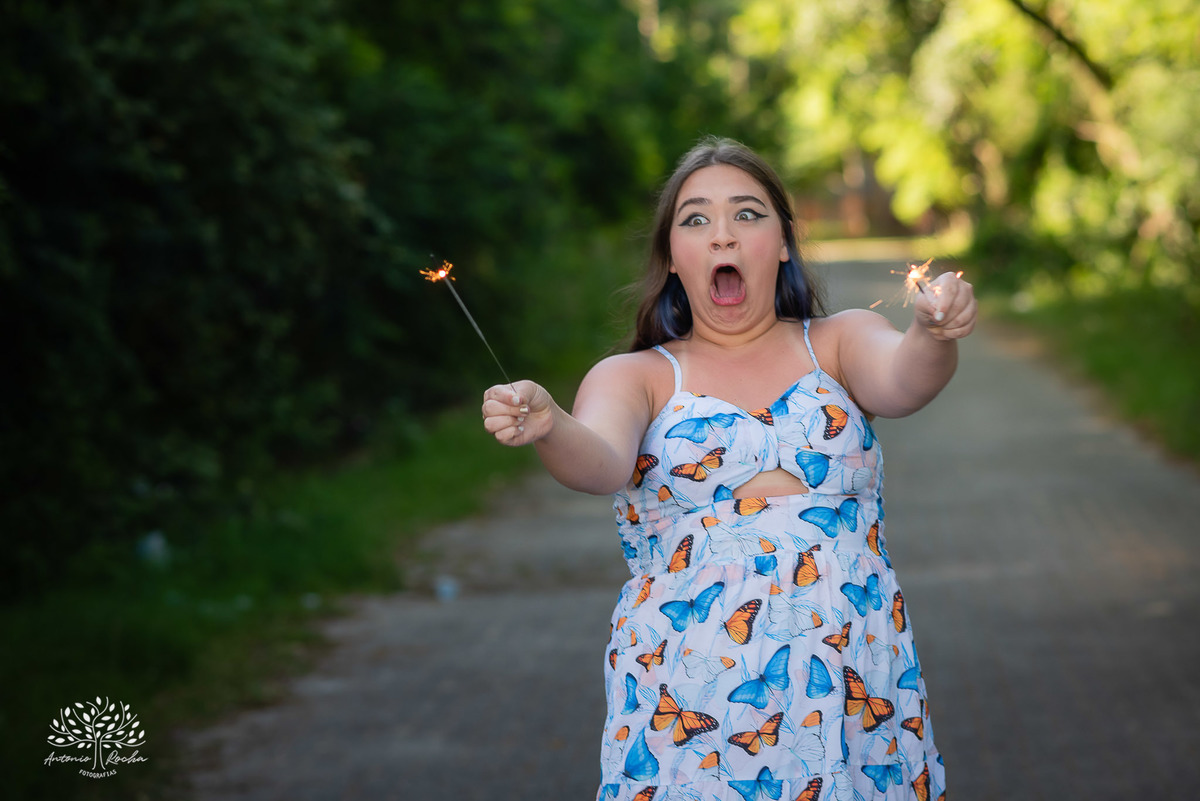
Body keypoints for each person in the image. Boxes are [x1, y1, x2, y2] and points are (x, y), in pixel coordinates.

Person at [482, 136, 973, 800]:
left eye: (747, 213)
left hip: (852, 676)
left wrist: (932, 334)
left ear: (784, 243)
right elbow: (599, 461)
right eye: (696, 219)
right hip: (694, 690)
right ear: (671, 257)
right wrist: (550, 424)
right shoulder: (638, 376)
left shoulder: (839, 342)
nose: (723, 235)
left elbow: (904, 380)